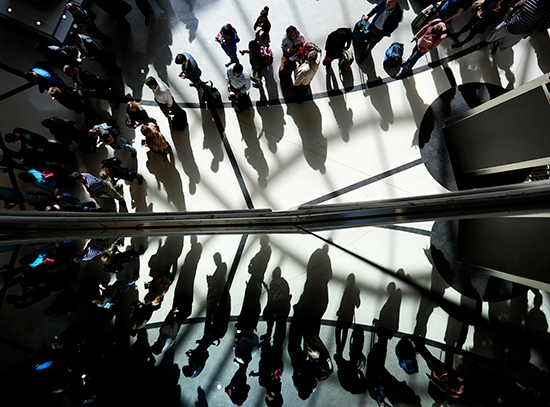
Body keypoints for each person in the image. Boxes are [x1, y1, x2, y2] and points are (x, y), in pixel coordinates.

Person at [485, 0, 550, 54]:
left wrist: (527, 33)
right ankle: (486, 43)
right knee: (493, 35)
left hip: (518, 33)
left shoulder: (546, 11)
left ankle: (497, 44)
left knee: (505, 44)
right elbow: (516, 7)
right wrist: (506, 20)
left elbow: (539, 25)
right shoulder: (529, 0)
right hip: (508, 25)